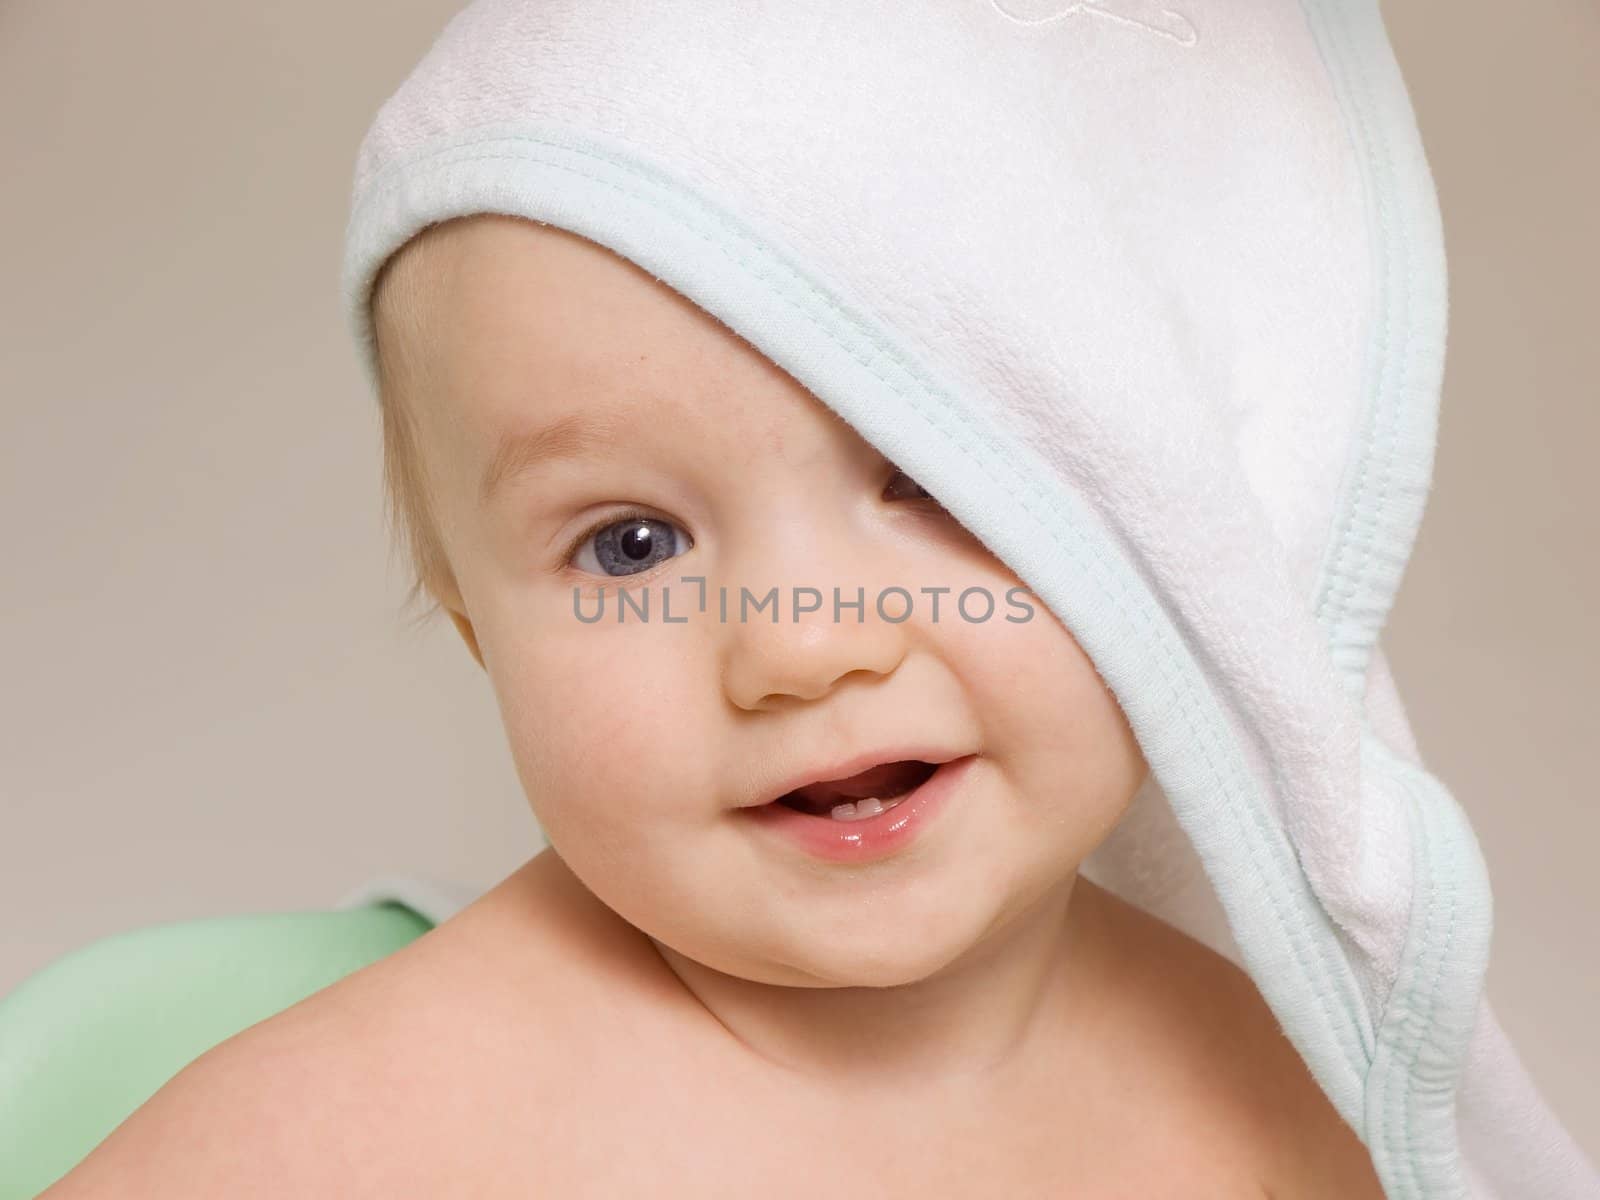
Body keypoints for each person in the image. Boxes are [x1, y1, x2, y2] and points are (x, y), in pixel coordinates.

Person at [42, 211, 1384, 1198]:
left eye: (934, 477)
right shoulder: (357, 1135)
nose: (803, 647)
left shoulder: (1269, 1094)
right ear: (479, 641)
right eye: (631, 543)